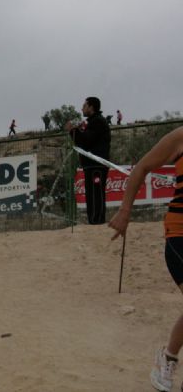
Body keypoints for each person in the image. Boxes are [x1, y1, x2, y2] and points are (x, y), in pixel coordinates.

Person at [108, 126, 183, 392]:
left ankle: (169, 356)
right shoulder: (180, 137)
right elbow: (141, 168)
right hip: (179, 233)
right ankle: (167, 359)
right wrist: (125, 211)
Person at [65, 97, 111, 225]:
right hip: (90, 165)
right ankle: (93, 220)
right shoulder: (92, 122)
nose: (82, 108)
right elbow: (84, 140)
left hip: (96, 165)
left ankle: (97, 221)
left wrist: (73, 130)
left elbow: (85, 141)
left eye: (84, 106)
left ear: (91, 107)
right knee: (91, 195)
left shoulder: (98, 121)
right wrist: (76, 131)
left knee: (96, 194)